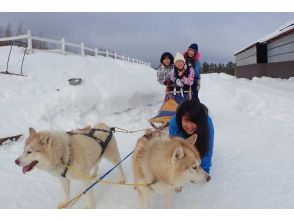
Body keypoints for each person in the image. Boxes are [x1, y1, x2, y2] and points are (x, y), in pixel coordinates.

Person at [169, 100, 214, 174]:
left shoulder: (207, 122)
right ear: (180, 118)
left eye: (194, 121)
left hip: (199, 134)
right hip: (182, 135)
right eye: (186, 121)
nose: (189, 126)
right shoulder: (174, 122)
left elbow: (208, 147)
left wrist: (204, 169)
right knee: (177, 144)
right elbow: (172, 147)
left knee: (201, 145)